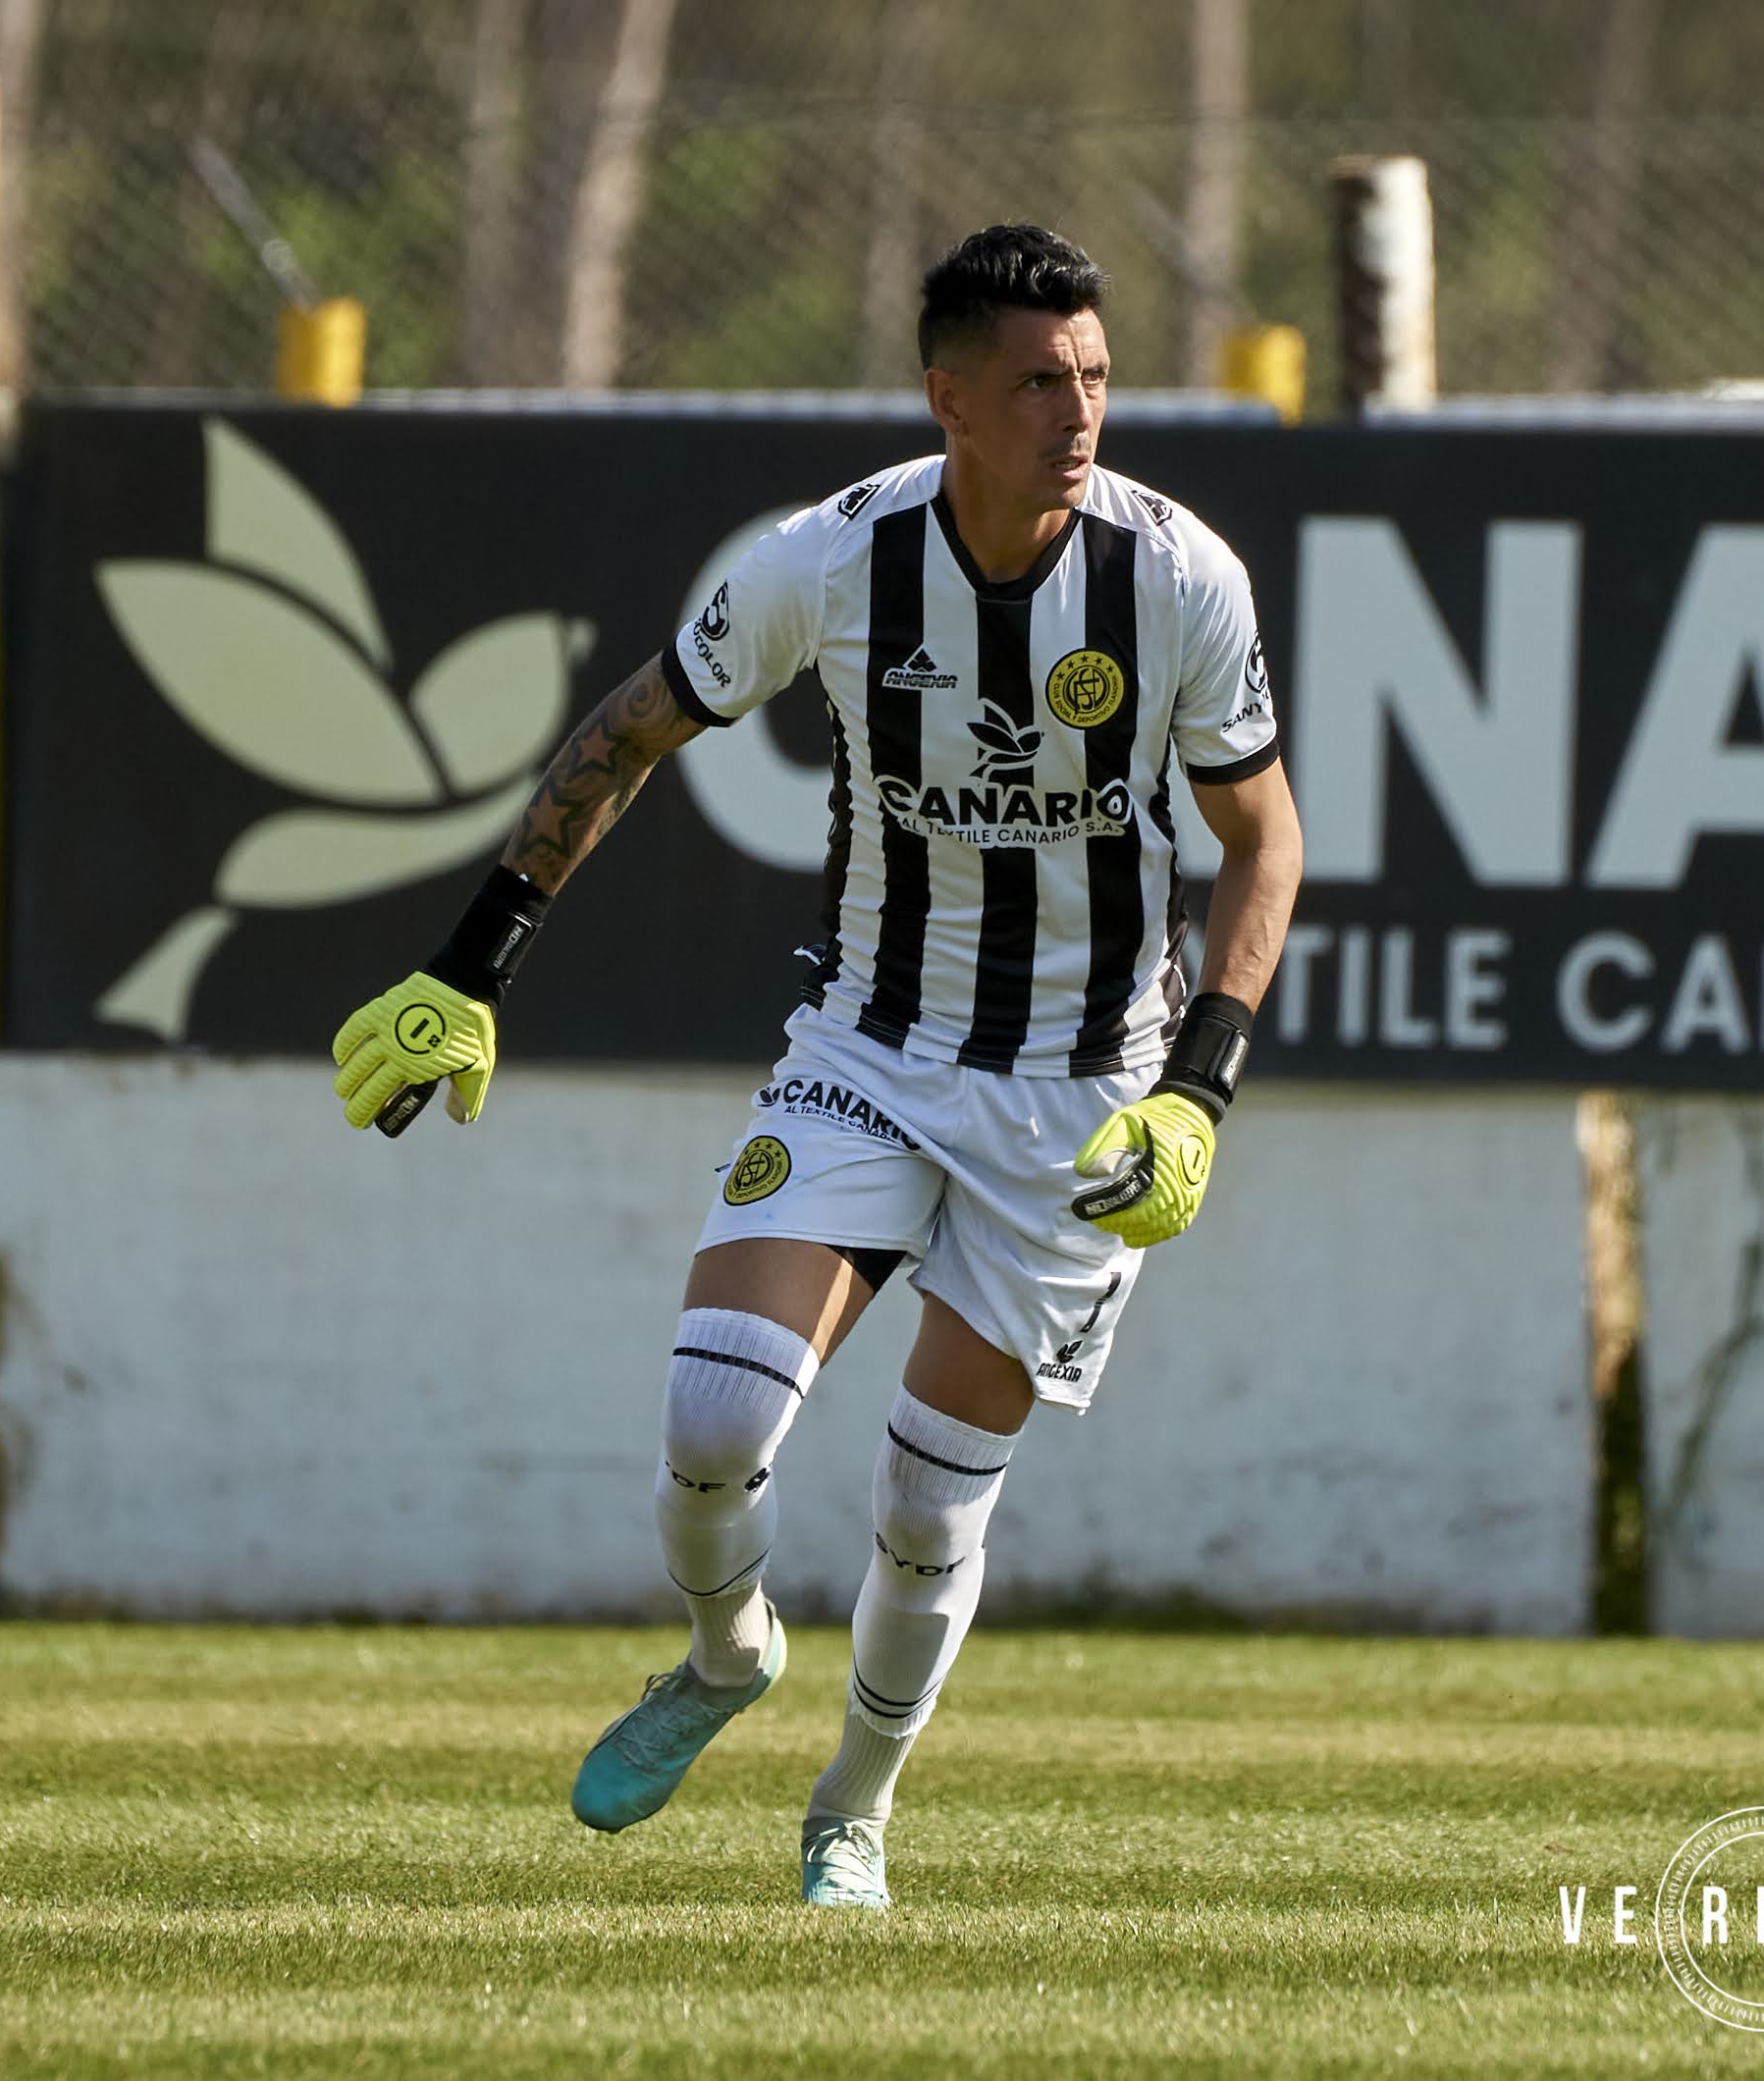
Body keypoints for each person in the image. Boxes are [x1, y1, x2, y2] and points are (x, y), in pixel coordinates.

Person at [326, 221, 1303, 1909]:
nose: (1077, 413)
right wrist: (468, 967)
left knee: (929, 1515)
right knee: (713, 1417)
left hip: (1081, 1098)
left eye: (1093, 376)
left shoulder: (1178, 580)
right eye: (1035, 383)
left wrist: (1196, 1089)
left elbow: (1262, 837)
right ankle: (722, 1654)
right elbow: (630, 729)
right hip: (870, 1043)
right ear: (946, 399)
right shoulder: (832, 563)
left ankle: (851, 1809)